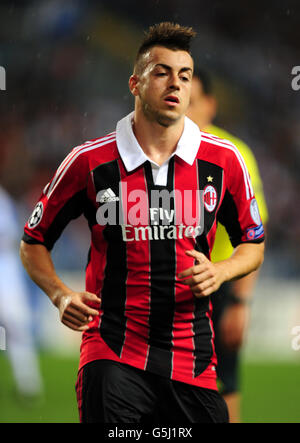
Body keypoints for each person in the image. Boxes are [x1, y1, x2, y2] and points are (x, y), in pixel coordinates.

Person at [20, 22, 265, 424]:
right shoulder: (89, 162)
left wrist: (222, 271)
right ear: (135, 83)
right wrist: (60, 295)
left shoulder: (224, 160)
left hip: (193, 357)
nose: (176, 84)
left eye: (184, 76)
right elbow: (33, 241)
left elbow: (253, 242)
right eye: (162, 72)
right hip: (111, 350)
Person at [186, 69, 268, 422]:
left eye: (192, 102)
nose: (183, 111)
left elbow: (254, 235)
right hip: (173, 284)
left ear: (210, 105)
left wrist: (239, 302)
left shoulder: (234, 155)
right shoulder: (158, 153)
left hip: (220, 285)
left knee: (223, 385)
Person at [0, 185, 43, 403]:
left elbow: (7, 236)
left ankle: (28, 386)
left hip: (5, 272)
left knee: (16, 329)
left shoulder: (2, 197)